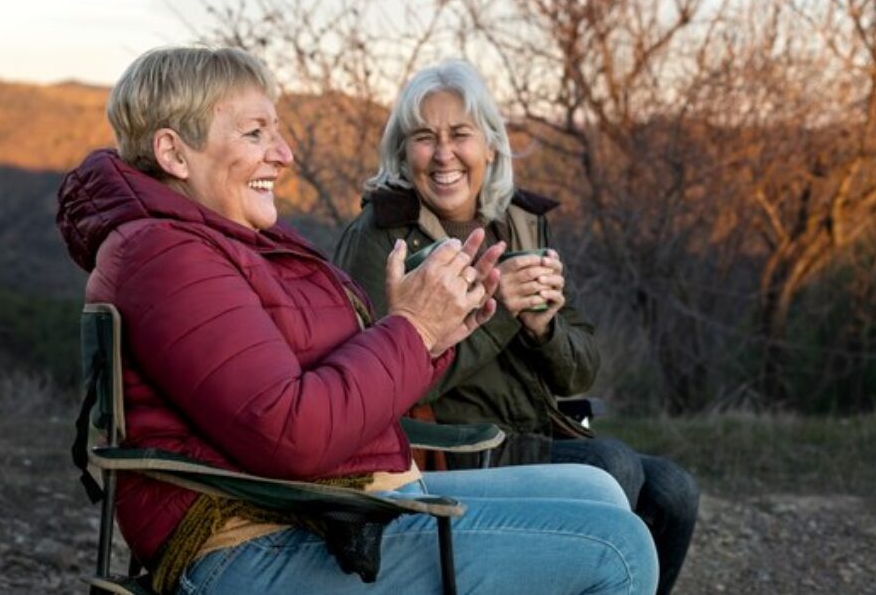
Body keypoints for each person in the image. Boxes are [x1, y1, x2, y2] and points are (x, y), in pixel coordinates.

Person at [56, 46, 657, 594]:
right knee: (619, 549)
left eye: (277, 130)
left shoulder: (227, 239)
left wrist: (441, 327)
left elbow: (343, 378)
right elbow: (292, 431)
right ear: (172, 152)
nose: (284, 153)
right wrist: (412, 329)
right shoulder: (169, 257)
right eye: (255, 132)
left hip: (329, 500)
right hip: (254, 539)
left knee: (598, 488)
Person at [333, 59, 698, 595]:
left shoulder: (521, 222)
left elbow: (580, 373)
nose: (443, 155)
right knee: (613, 464)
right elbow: (380, 381)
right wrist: (499, 307)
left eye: (460, 134)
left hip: (532, 432)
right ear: (401, 151)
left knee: (674, 490)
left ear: (491, 146)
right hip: (451, 445)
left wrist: (544, 327)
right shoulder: (381, 236)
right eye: (423, 137)